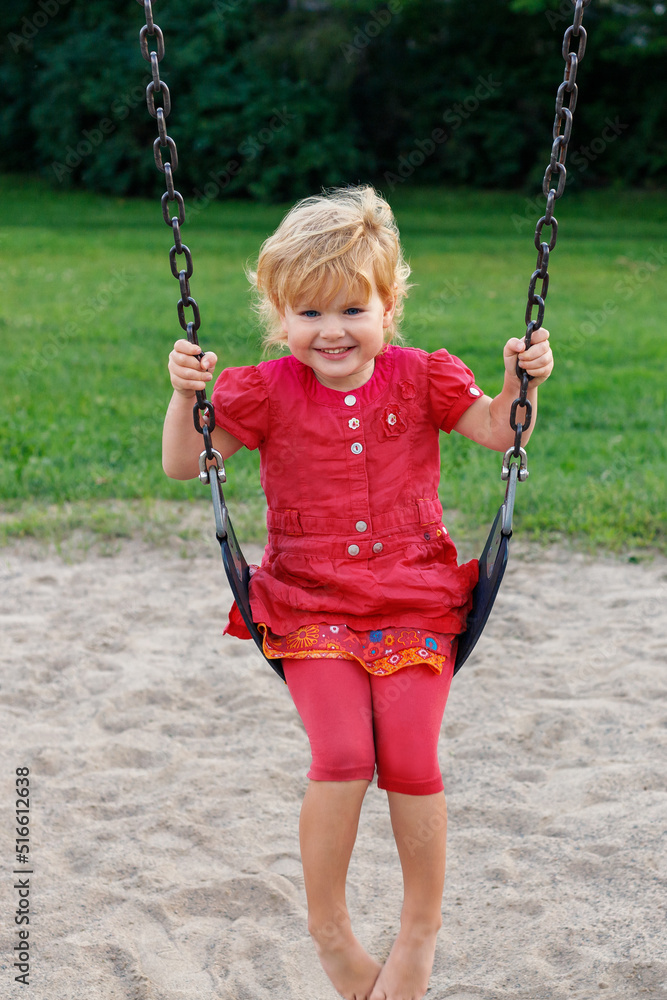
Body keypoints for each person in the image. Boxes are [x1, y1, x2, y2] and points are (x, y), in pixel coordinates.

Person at [162, 185, 553, 1000]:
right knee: (342, 756)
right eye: (308, 313)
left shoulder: (421, 377)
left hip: (414, 599)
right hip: (308, 603)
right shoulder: (265, 390)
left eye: (351, 309)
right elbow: (184, 462)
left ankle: (419, 931)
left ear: (387, 308)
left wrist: (522, 381)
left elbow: (498, 429)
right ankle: (330, 930)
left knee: (409, 756)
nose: (331, 330)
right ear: (279, 317)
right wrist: (184, 397)